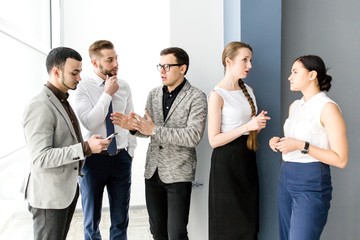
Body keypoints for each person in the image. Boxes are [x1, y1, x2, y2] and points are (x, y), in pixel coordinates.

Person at [111, 47, 207, 240]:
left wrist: (153, 130)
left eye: (167, 66)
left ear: (183, 68)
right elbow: (147, 130)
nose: (162, 71)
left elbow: (193, 136)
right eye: (160, 66)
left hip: (179, 173)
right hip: (153, 172)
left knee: (177, 233)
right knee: (157, 232)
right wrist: (133, 127)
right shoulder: (154, 94)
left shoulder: (197, 97)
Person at [22, 47, 110, 240]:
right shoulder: (40, 105)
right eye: (74, 72)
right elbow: (41, 157)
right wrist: (85, 148)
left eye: (80, 72)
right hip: (49, 198)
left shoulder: (61, 99)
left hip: (63, 193)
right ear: (56, 71)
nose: (79, 78)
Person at [269, 55, 348, 240]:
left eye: (295, 72)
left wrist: (301, 145)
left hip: (311, 179)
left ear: (312, 75)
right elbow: (297, 141)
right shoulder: (295, 106)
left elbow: (341, 159)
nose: (290, 77)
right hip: (286, 176)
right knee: (285, 236)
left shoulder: (328, 108)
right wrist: (279, 142)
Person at [70, 40, 136, 240]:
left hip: (121, 158)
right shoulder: (83, 87)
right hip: (93, 159)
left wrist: (130, 151)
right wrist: (107, 94)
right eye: (110, 60)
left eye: (116, 58)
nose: (115, 63)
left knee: (120, 219)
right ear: (95, 63)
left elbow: (130, 121)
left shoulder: (124, 86)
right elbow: (89, 122)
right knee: (91, 219)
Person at [207, 41, 270, 240]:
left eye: (250, 60)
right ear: (228, 61)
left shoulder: (248, 90)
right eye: (245, 60)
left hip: (248, 158)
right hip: (226, 164)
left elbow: (249, 130)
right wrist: (247, 127)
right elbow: (214, 140)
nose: (249, 65)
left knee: (248, 220)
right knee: (227, 222)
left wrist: (256, 127)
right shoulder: (217, 95)